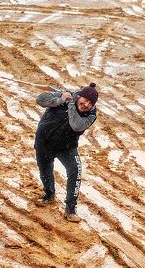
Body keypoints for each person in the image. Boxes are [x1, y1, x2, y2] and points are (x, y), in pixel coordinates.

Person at [34, 83, 99, 222]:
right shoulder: (65, 95)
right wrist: (60, 100)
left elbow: (76, 125)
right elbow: (40, 99)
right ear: (80, 96)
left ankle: (70, 209)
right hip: (44, 141)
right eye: (85, 100)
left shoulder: (91, 115)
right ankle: (49, 195)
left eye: (90, 103)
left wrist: (69, 103)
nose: (86, 104)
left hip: (66, 147)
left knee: (75, 171)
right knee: (45, 170)